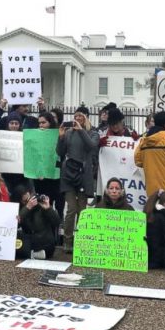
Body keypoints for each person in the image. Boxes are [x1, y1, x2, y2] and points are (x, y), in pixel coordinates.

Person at [57, 106, 99, 253]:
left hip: (83, 174)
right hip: (68, 174)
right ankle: (67, 242)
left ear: (87, 117)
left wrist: (81, 130)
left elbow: (92, 146)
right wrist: (61, 137)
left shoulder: (93, 133)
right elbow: (60, 152)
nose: (78, 119)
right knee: (71, 209)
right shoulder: (69, 133)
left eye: (81, 116)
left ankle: (81, 240)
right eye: (76, 116)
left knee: (82, 210)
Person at [14, 186, 60, 260]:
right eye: (25, 201)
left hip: (43, 241)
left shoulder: (41, 206)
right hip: (29, 241)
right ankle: (33, 254)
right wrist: (27, 208)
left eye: (30, 198)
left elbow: (57, 222)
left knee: (47, 248)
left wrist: (48, 209)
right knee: (16, 245)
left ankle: (31, 253)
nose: (30, 202)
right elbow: (15, 224)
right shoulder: (21, 209)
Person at [33, 112, 64, 220]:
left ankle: (58, 228)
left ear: (50, 123)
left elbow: (61, 154)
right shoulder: (35, 136)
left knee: (59, 205)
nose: (41, 125)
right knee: (43, 205)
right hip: (41, 178)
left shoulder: (58, 135)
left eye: (43, 123)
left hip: (55, 177)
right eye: (39, 123)